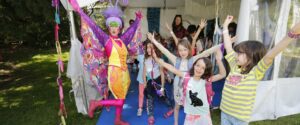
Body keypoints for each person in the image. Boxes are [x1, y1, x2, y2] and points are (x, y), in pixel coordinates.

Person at [69, 0, 142, 125]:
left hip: (125, 74)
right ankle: (96, 103)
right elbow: (93, 26)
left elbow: (131, 30)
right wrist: (80, 11)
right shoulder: (106, 40)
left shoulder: (123, 40)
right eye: (111, 25)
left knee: (122, 99)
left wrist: (137, 20)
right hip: (115, 74)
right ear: (108, 27)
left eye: (116, 26)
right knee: (119, 101)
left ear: (120, 28)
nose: (114, 28)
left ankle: (117, 120)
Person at [220, 15, 300, 125]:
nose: (236, 55)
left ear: (252, 56)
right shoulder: (235, 65)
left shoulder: (256, 72)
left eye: (240, 53)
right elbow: (228, 47)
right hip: (225, 112)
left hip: (240, 118)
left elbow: (272, 54)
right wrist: (225, 26)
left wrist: (291, 35)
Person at [147, 30, 222, 125]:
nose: (182, 52)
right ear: (178, 51)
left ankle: (194, 120)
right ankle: (175, 122)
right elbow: (164, 50)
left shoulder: (193, 60)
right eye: (180, 50)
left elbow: (207, 52)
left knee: (191, 104)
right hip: (178, 86)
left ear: (189, 49)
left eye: (185, 49)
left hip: (191, 87)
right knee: (177, 106)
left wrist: (224, 43)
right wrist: (154, 41)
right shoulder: (176, 60)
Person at [143, 41, 174, 125]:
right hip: (149, 81)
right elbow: (144, 72)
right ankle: (151, 116)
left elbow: (162, 74)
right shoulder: (145, 59)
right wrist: (145, 83)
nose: (148, 49)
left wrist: (163, 87)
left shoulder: (160, 60)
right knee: (149, 98)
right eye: (147, 47)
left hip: (157, 81)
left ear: (155, 49)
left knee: (162, 96)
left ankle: (171, 108)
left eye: (151, 47)